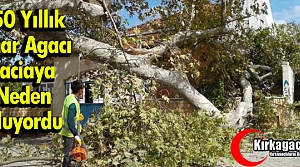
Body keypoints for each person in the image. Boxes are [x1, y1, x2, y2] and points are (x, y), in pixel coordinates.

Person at [59, 80, 88, 167]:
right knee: (69, 156)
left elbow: (70, 115)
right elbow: (69, 120)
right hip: (70, 134)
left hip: (70, 132)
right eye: (82, 89)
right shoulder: (73, 104)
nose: (82, 91)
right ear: (79, 90)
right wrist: (75, 135)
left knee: (79, 153)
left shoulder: (69, 98)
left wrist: (77, 116)